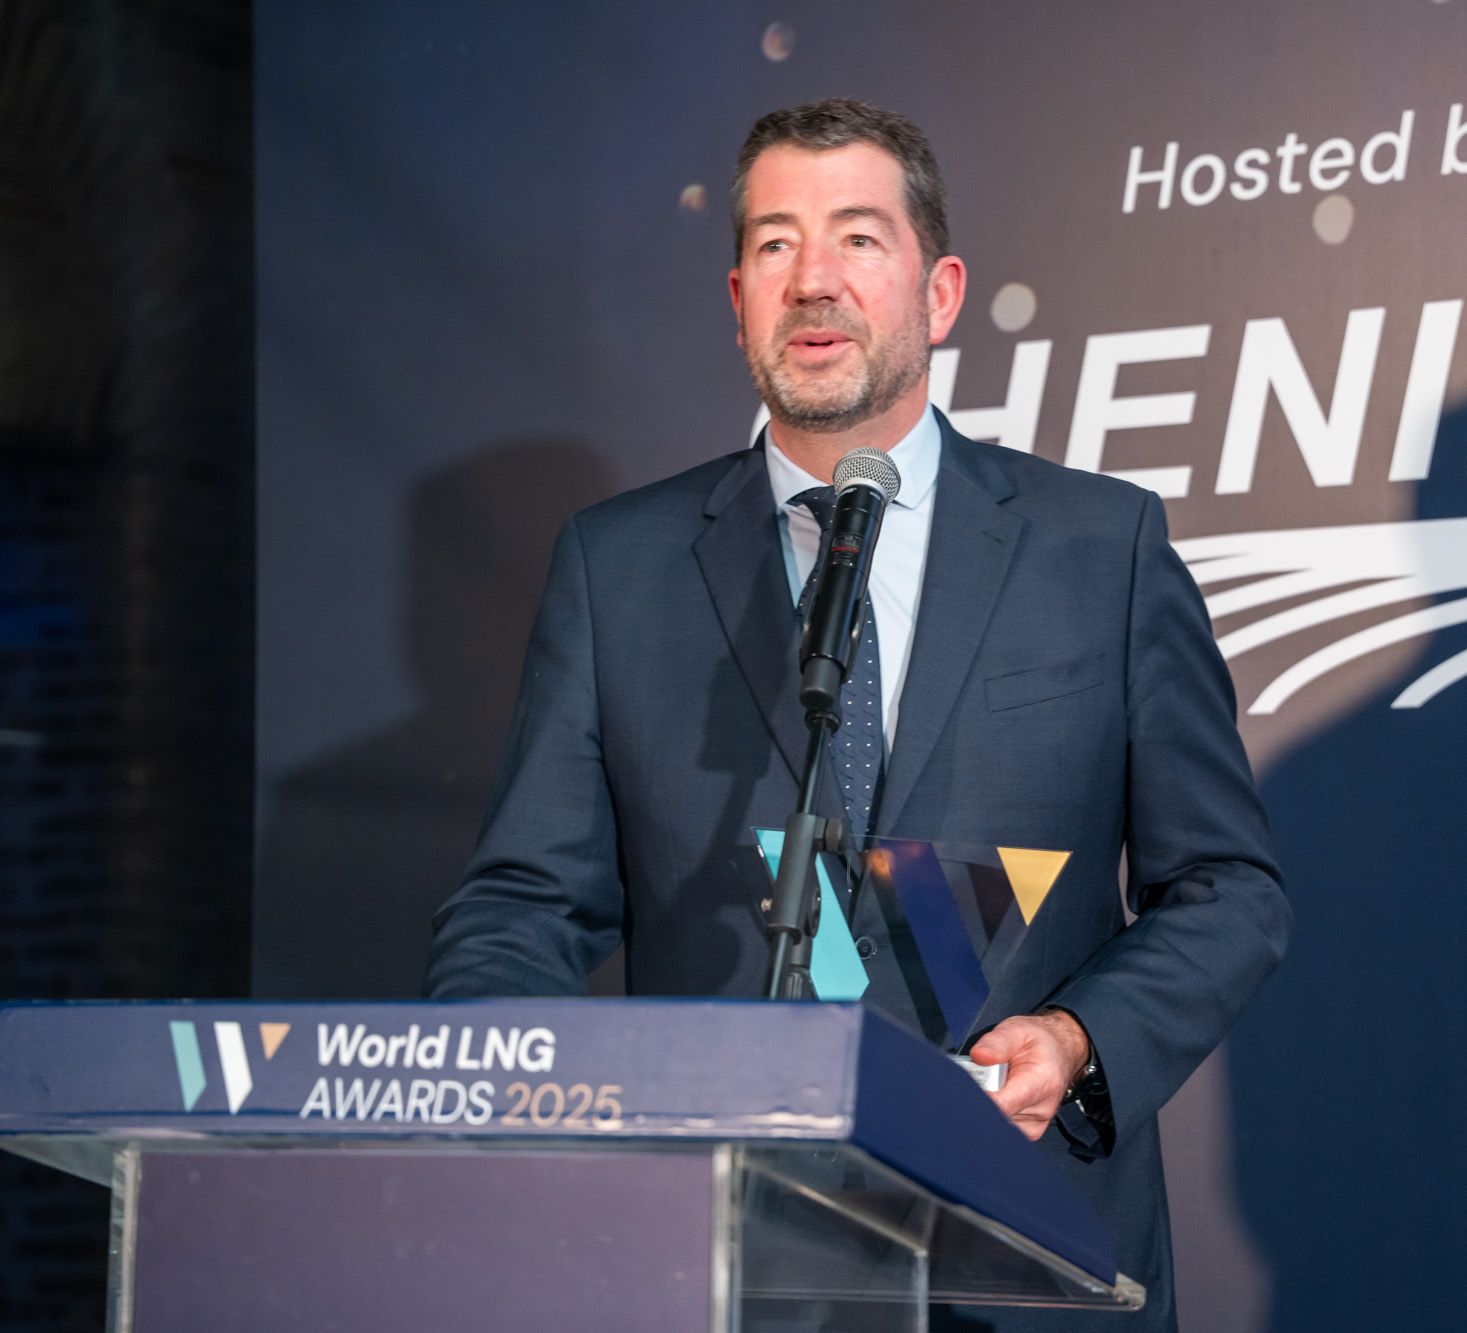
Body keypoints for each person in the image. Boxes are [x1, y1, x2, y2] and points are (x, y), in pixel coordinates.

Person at [424, 98, 1288, 1331]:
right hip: (720, 1264)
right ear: (737, 300)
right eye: (775, 244)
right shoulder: (619, 569)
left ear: (940, 294)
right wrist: (514, 1113)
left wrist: (1074, 1037)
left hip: (1030, 1256)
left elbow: (1224, 888)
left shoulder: (1102, 550)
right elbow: (522, 907)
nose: (813, 280)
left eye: (857, 238)